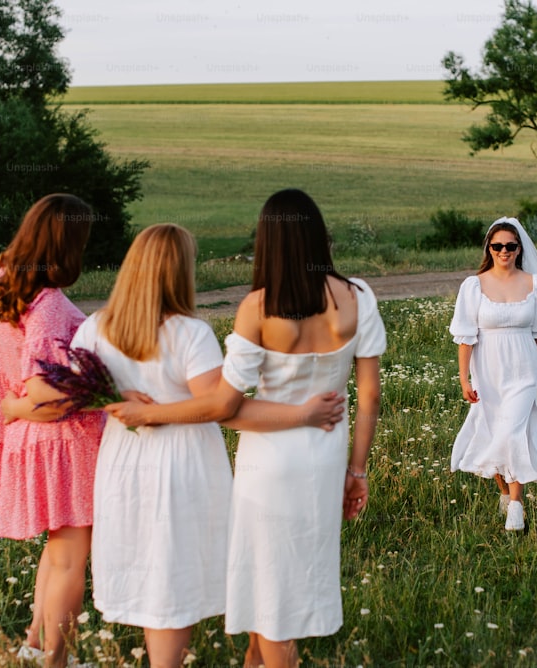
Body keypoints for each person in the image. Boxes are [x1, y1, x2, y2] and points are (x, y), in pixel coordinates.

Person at [106, 189, 386, 668]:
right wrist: (356, 470)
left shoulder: (258, 307)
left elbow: (224, 406)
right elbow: (371, 397)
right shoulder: (358, 296)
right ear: (319, 236)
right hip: (326, 454)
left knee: (273, 582)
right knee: (289, 573)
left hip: (270, 461)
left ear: (267, 244)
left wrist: (150, 413)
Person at [0, 193, 105, 667]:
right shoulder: (51, 303)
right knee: (71, 558)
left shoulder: (7, 284)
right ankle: (57, 659)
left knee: (58, 552)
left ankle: (35, 648)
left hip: (32, 442)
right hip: (63, 443)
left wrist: (12, 404)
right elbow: (42, 388)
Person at [448, 217, 537, 532]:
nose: (504, 251)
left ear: (519, 248)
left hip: (524, 368)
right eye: (497, 246)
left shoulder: (532, 283)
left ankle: (516, 507)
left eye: (510, 246)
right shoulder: (474, 285)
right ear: (489, 248)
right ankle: (504, 492)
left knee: (513, 433)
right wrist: (464, 379)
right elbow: (466, 336)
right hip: (488, 369)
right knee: (494, 433)